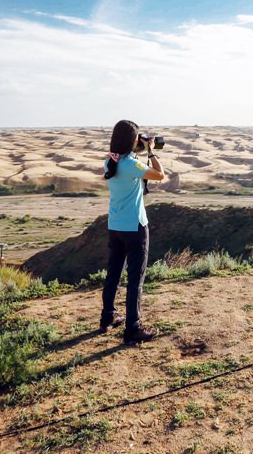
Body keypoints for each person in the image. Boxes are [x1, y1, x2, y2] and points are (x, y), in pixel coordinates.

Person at [100, 119, 165, 344]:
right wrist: (151, 151)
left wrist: (138, 148)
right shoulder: (131, 165)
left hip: (115, 225)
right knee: (135, 279)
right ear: (133, 140)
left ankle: (107, 317)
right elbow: (159, 175)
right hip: (135, 227)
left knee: (114, 273)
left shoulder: (109, 162)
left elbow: (126, 162)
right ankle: (133, 328)